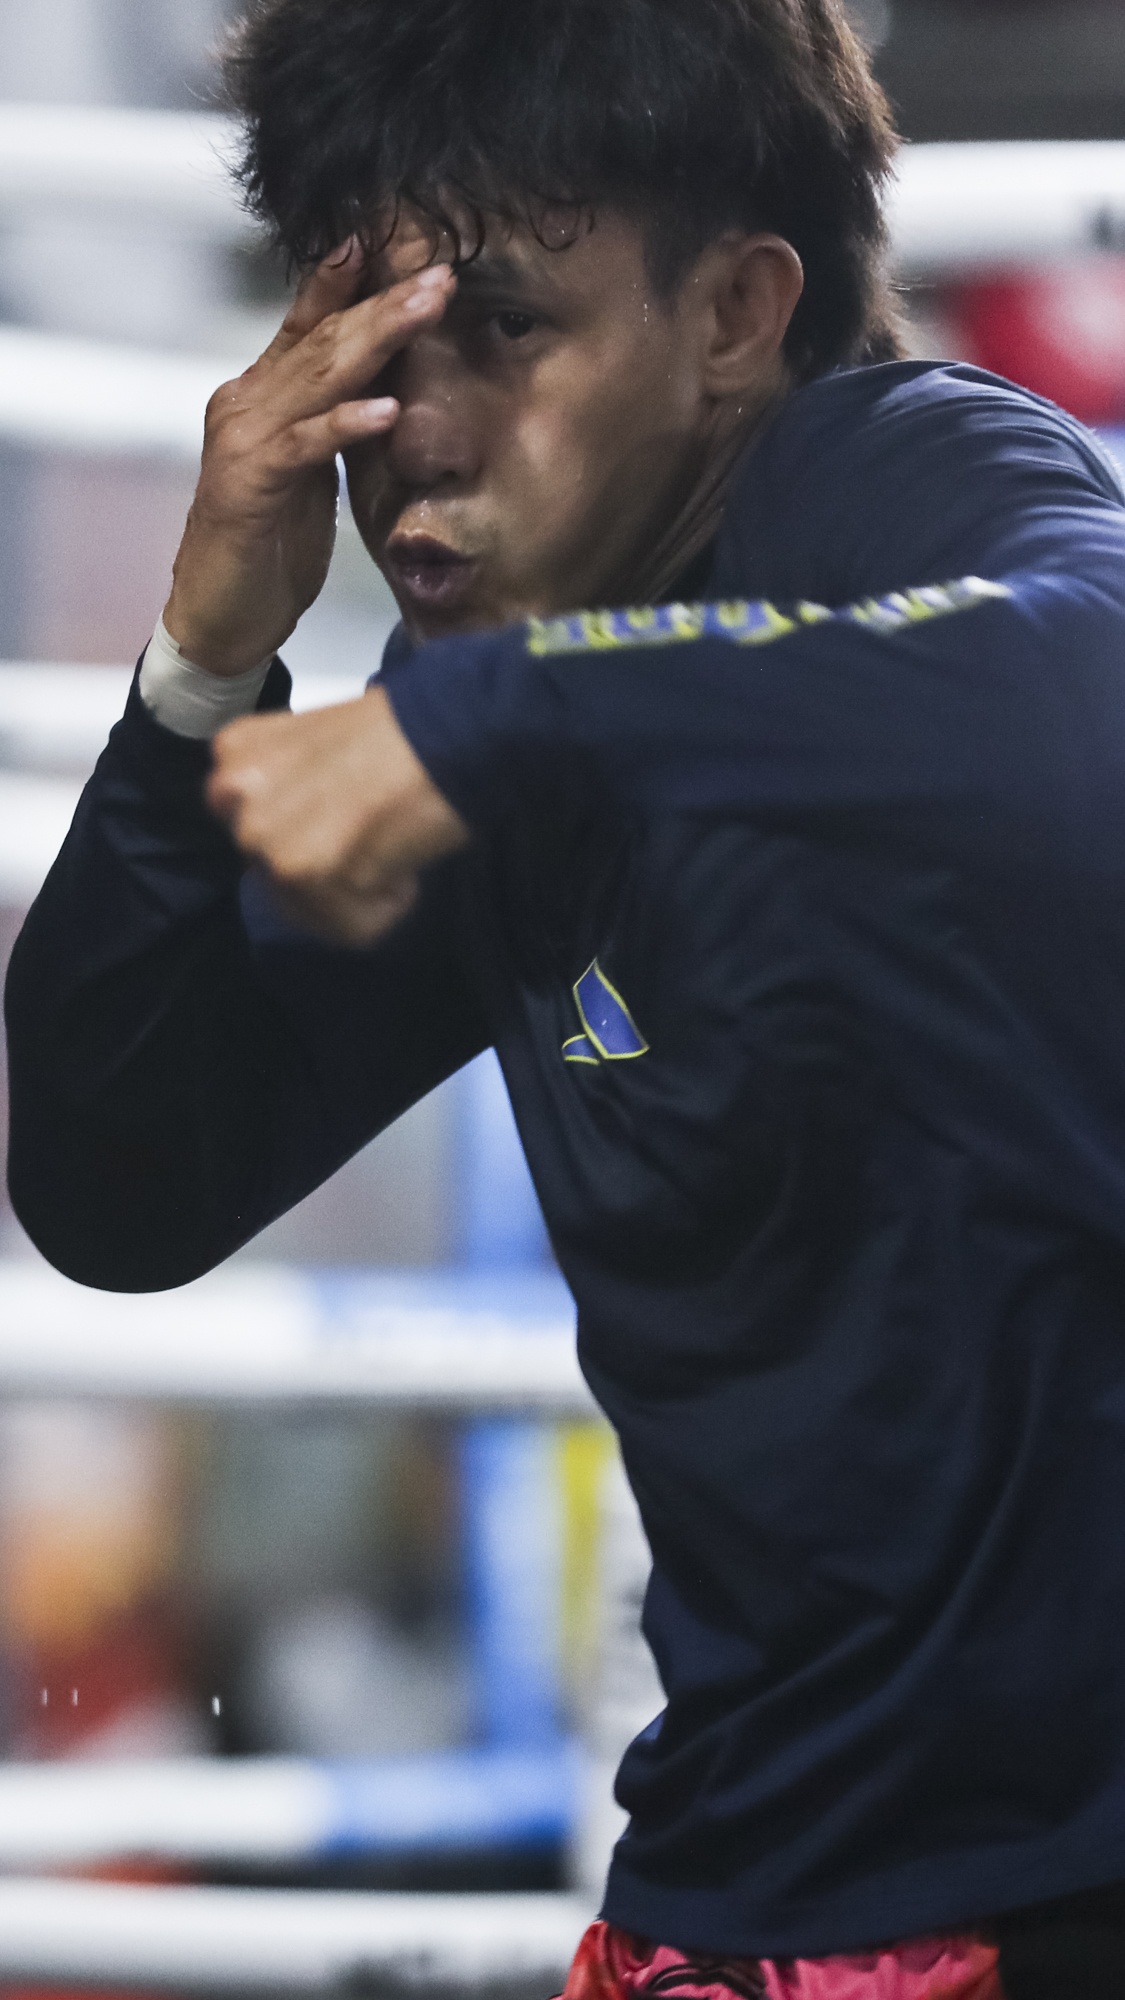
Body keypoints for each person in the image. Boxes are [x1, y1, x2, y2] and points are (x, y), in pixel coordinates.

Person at [6, 0, 1125, 1991]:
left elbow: (1090, 673)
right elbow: (122, 1187)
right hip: (770, 1871)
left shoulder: (891, 477)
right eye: (373, 350)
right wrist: (198, 672)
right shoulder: (505, 696)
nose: (416, 433)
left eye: (507, 330)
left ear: (735, 315)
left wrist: (503, 721)